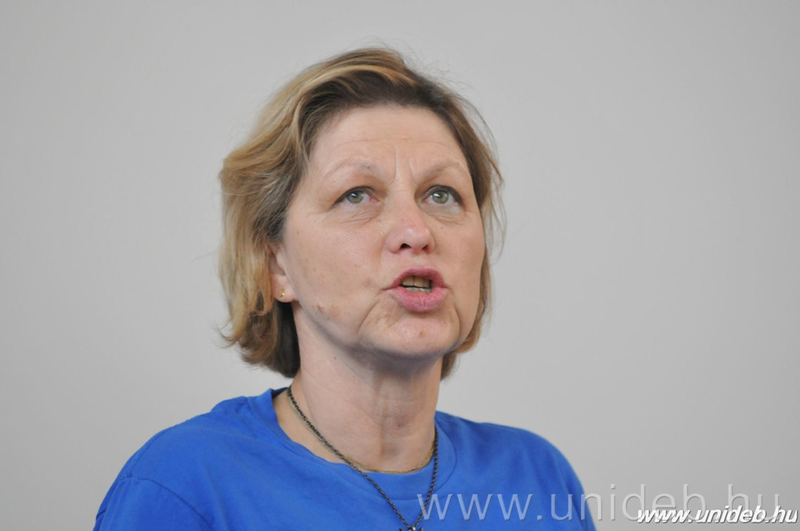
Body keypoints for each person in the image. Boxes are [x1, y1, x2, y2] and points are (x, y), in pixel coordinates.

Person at [94, 47, 596, 530]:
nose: (416, 231)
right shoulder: (184, 487)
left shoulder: (537, 478)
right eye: (356, 195)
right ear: (275, 264)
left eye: (441, 194)